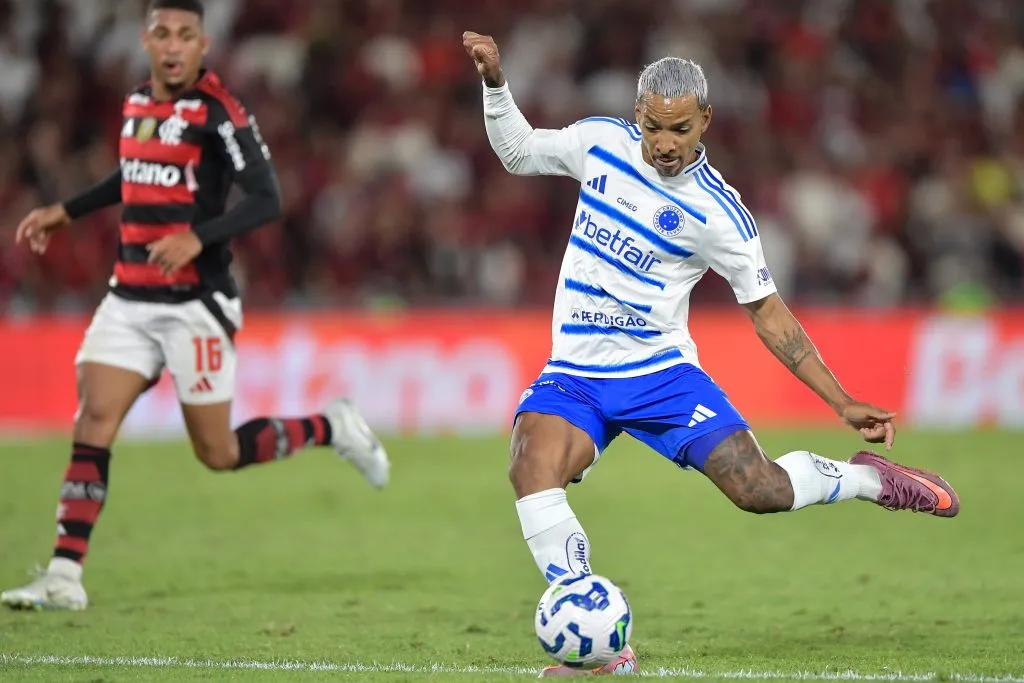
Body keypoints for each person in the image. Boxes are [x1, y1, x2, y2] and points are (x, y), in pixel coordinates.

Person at [462, 31, 959, 677]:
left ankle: (868, 479)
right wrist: (496, 84)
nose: (665, 143)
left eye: (680, 128)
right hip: (577, 374)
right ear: (636, 113)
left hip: (661, 376)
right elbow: (520, 152)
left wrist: (839, 400)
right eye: (653, 126)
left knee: (761, 490)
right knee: (530, 465)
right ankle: (598, 642)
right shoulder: (601, 143)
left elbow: (770, 314)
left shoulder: (720, 214)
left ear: (705, 121)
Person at [2, 0, 390, 612]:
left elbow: (268, 198)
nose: (174, 45)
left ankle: (331, 426)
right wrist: (66, 209)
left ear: (204, 45)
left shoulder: (222, 113)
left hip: (195, 304)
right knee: (92, 421)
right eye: (163, 34)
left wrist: (197, 237)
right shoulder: (136, 104)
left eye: (186, 35)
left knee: (218, 453)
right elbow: (129, 177)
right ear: (146, 41)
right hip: (128, 298)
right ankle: (63, 575)